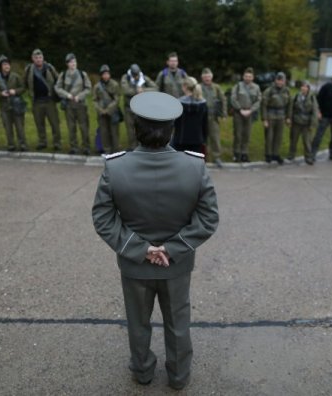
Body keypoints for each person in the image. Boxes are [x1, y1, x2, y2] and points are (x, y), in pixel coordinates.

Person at [92, 91, 219, 391]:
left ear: (135, 128)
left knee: (138, 323)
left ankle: (143, 371)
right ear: (172, 130)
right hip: (176, 264)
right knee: (178, 323)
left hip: (135, 265)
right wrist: (171, 249)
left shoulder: (115, 167)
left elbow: (103, 218)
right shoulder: (195, 166)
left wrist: (141, 249)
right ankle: (178, 376)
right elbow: (208, 218)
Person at [24, 48, 61, 151]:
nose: (38, 59)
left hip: (50, 100)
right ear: (32, 59)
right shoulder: (28, 69)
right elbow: (25, 83)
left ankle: (57, 143)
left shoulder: (49, 67)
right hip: (36, 101)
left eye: (40, 57)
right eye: (36, 58)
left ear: (43, 58)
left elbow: (58, 80)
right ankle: (42, 142)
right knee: (39, 124)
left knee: (55, 123)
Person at [55, 53, 92, 155]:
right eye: (71, 62)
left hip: (81, 105)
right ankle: (73, 147)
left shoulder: (82, 74)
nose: (73, 64)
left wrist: (79, 96)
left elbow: (88, 88)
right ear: (67, 64)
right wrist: (67, 95)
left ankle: (86, 147)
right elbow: (57, 88)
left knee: (84, 127)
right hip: (69, 105)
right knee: (71, 127)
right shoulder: (63, 75)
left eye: (74, 61)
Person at [0, 55, 27, 152]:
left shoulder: (15, 76)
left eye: (8, 64)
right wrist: (0, 93)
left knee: (19, 126)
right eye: (4, 64)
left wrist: (15, 91)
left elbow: (23, 88)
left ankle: (22, 144)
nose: (7, 66)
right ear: (1, 66)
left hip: (16, 105)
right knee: (8, 127)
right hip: (4, 106)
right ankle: (11, 145)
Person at [120, 64, 157, 150]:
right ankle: (132, 147)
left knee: (142, 128)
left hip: (141, 108)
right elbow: (125, 90)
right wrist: (136, 90)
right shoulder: (125, 78)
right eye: (134, 75)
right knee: (130, 130)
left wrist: (143, 90)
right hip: (129, 108)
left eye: (137, 75)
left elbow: (155, 87)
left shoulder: (143, 77)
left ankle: (142, 148)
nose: (136, 77)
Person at [230, 67, 261, 162]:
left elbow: (258, 100)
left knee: (247, 134)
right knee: (238, 134)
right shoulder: (238, 86)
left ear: (253, 77)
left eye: (250, 76)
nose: (248, 78)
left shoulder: (256, 87)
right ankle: (236, 154)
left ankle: (244, 153)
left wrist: (251, 110)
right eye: (246, 76)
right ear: (243, 77)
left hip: (249, 113)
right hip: (239, 113)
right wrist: (240, 109)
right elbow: (233, 98)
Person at [172, 77, 208, 153]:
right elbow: (205, 125)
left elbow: (174, 123)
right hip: (197, 140)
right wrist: (204, 139)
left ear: (185, 87)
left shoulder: (179, 103)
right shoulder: (203, 104)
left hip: (180, 140)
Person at [261, 72, 291, 164]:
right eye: (278, 80)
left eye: (282, 80)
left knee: (278, 136)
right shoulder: (269, 90)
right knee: (269, 136)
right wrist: (264, 119)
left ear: (284, 81)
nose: (279, 82)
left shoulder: (287, 91)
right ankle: (268, 154)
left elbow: (289, 105)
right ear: (275, 80)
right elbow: (264, 105)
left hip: (281, 116)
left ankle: (276, 154)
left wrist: (288, 117)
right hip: (271, 115)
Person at [200, 67, 227, 168]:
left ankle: (217, 157)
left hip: (213, 116)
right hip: (201, 117)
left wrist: (223, 114)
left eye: (209, 76)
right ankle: (202, 157)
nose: (207, 78)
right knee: (202, 138)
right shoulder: (198, 87)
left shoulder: (216, 87)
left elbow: (223, 100)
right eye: (205, 76)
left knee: (215, 137)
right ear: (202, 78)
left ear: (211, 77)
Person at [287, 81, 319, 165]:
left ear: (308, 88)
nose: (304, 88)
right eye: (302, 87)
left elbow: (315, 111)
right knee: (293, 139)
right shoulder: (296, 96)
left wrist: (313, 124)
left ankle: (308, 157)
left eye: (306, 87)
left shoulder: (312, 97)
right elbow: (291, 108)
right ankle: (291, 154)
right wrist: (289, 118)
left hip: (307, 123)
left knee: (307, 141)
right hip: (296, 122)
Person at [93, 64, 121, 155]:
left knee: (114, 132)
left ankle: (115, 150)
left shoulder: (115, 84)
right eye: (104, 74)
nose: (106, 76)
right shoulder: (97, 86)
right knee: (104, 132)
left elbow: (117, 99)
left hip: (112, 112)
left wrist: (108, 110)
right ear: (101, 75)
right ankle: (107, 149)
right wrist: (100, 110)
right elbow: (94, 100)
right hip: (101, 112)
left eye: (107, 74)